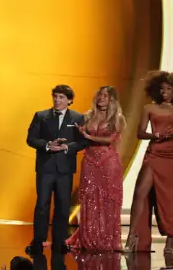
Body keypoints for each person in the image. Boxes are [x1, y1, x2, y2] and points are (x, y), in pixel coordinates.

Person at [124, 71, 173, 254]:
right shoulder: (149, 108)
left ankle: (170, 241)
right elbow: (140, 133)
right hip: (155, 153)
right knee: (140, 193)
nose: (164, 92)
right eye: (162, 88)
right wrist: (154, 135)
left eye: (168, 89)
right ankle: (132, 237)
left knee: (172, 199)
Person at [25, 84, 89, 255]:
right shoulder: (41, 116)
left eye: (61, 97)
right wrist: (47, 145)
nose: (57, 100)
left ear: (69, 100)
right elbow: (31, 139)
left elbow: (83, 142)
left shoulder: (78, 118)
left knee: (62, 206)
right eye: (55, 96)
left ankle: (60, 242)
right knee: (42, 205)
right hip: (45, 168)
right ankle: (38, 241)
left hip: (65, 169)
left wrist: (66, 147)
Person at [66, 86, 125, 252]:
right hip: (90, 160)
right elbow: (79, 138)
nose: (101, 98)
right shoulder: (88, 116)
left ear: (112, 99)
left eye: (105, 95)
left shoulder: (117, 118)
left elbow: (110, 139)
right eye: (99, 95)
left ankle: (107, 239)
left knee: (107, 199)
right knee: (89, 198)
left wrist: (88, 136)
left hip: (108, 161)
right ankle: (89, 237)